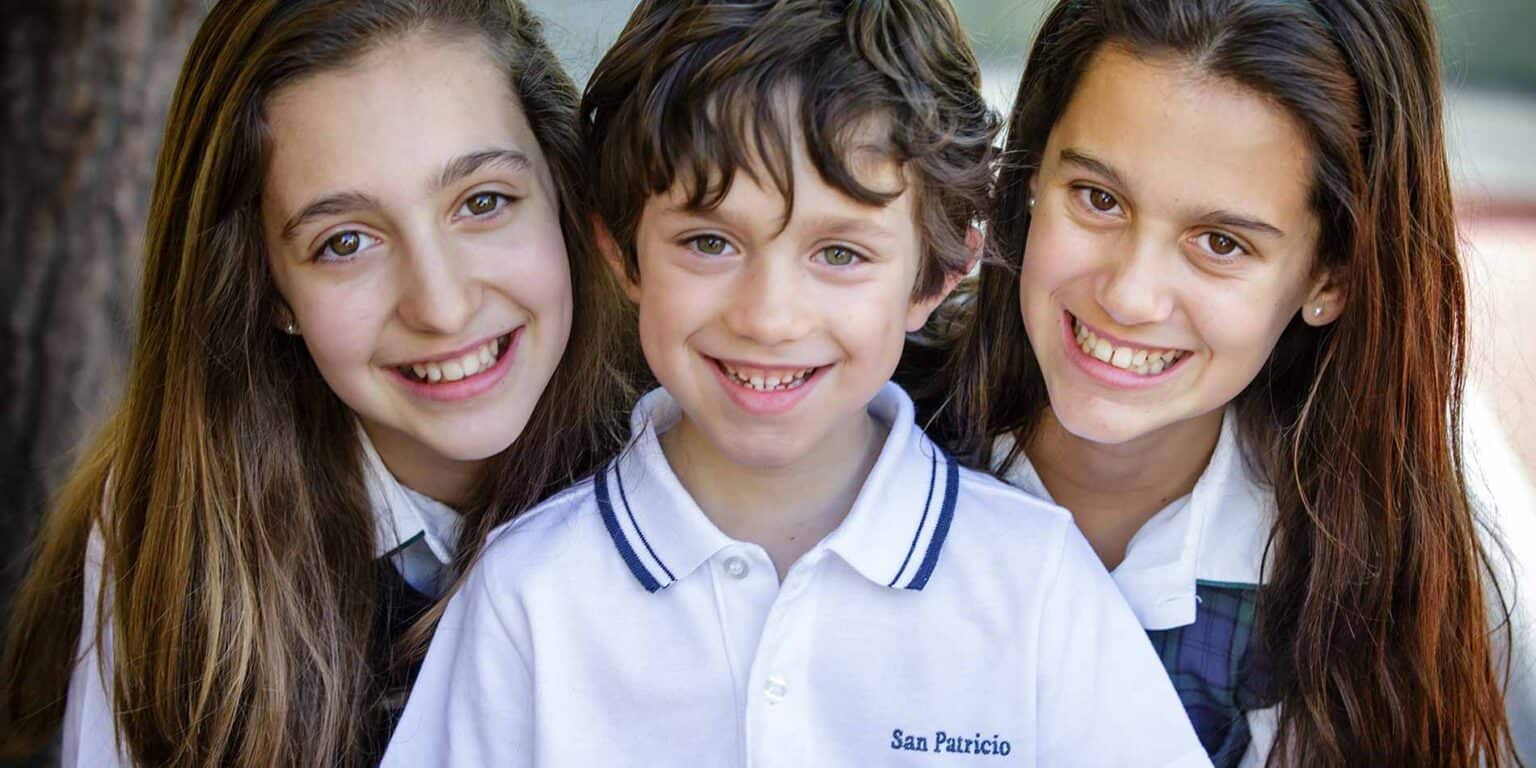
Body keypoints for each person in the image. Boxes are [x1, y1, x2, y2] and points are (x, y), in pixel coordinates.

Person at [382, 1, 1209, 766]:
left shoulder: (1035, 583)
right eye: (710, 243)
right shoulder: (527, 596)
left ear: (938, 274)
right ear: (621, 252)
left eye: (839, 254)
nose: (768, 318)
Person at [0, 1, 635, 765]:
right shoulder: (176, 531)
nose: (442, 305)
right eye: (345, 242)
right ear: (268, 287)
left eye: (483, 201)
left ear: (565, 193)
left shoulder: (697, 446)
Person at [924, 0, 1530, 764]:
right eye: (1098, 198)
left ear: (1329, 276)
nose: (1130, 296)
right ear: (1032, 174)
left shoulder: (1372, 579)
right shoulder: (870, 428)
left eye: (1220, 242)